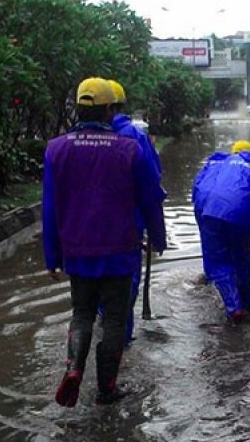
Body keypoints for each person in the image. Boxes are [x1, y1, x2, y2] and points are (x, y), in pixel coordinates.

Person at [43, 77, 166, 407]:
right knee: (113, 318)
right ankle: (106, 389)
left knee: (82, 313)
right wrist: (158, 236)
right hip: (119, 249)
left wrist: (51, 256)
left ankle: (73, 369)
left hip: (77, 250)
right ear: (110, 110)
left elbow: (50, 207)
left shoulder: (56, 149)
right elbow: (150, 198)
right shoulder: (129, 149)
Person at [192, 134, 250, 323]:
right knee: (244, 257)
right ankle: (245, 303)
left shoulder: (228, 160)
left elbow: (202, 190)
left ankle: (234, 305)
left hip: (209, 211)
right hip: (241, 217)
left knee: (218, 261)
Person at [106, 79, 166, 347]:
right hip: (127, 226)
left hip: (83, 229)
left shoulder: (75, 139)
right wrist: (157, 233)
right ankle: (121, 343)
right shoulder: (135, 136)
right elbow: (152, 184)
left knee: (90, 295)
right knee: (124, 288)